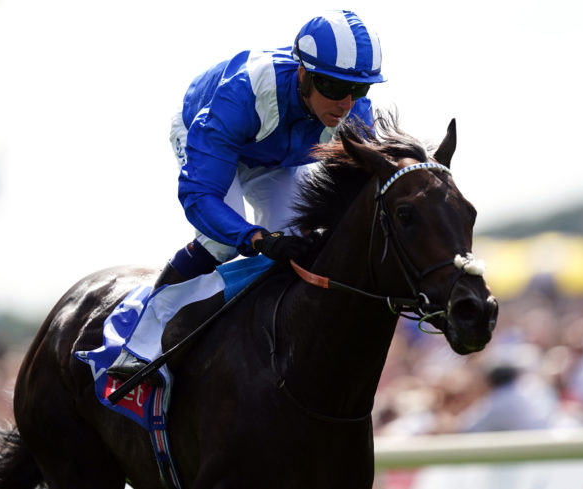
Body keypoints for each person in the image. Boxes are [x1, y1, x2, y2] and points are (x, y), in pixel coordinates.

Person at [107, 9, 385, 378]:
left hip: (273, 159)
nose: (345, 103)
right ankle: (141, 340)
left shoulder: (353, 113)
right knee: (221, 243)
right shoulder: (243, 93)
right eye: (333, 88)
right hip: (209, 138)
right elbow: (199, 196)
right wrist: (253, 237)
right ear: (303, 74)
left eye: (359, 90)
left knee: (298, 240)